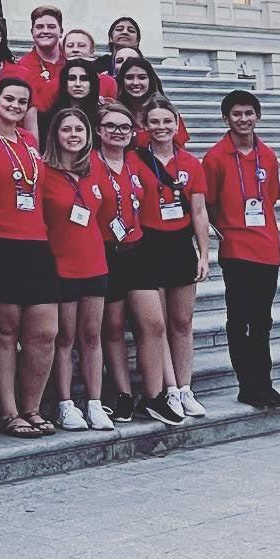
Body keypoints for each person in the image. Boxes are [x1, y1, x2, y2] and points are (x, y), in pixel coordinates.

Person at [0, 76, 58, 438]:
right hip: (0, 241)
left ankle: (33, 406)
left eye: (22, 102)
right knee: (5, 331)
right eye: (8, 99)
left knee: (44, 331)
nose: (15, 105)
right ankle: (9, 412)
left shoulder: (29, 141)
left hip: (36, 242)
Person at [203, 90, 280, 409]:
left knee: (262, 319)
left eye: (249, 113)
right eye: (236, 114)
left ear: (258, 116)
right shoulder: (215, 157)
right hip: (236, 248)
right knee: (239, 318)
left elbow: (270, 199)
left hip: (266, 247)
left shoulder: (269, 156)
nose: (243, 119)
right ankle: (246, 384)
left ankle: (264, 382)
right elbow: (207, 206)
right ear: (226, 118)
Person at [95, 101, 177, 425]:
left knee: (154, 323)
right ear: (99, 130)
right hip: (105, 251)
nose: (117, 132)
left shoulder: (136, 162)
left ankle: (154, 396)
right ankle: (124, 395)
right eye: (111, 126)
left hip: (136, 249)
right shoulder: (90, 163)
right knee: (112, 327)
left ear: (133, 133)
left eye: (124, 127)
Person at [134, 95, 210, 421]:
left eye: (167, 121)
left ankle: (186, 386)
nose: (162, 127)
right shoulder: (136, 160)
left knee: (183, 321)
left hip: (180, 244)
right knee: (159, 323)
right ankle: (170, 389)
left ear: (176, 124)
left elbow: (199, 210)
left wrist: (205, 254)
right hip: (149, 244)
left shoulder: (191, 163)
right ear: (145, 126)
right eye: (155, 121)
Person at [40, 106, 115, 432]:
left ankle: (95, 402)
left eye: (79, 130)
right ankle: (66, 403)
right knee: (65, 338)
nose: (73, 135)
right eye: (67, 129)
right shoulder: (44, 173)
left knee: (92, 336)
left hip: (94, 263)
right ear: (56, 135)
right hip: (60, 265)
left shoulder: (96, 169)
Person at [21, 5, 67, 116]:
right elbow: (40, 105)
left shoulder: (70, 59)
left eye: (51, 27)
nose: (45, 31)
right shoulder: (23, 67)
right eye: (40, 27)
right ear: (32, 32)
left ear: (61, 31)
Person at [47, 58, 102, 144]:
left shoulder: (101, 115)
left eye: (84, 79)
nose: (77, 84)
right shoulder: (52, 115)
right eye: (72, 78)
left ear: (92, 83)